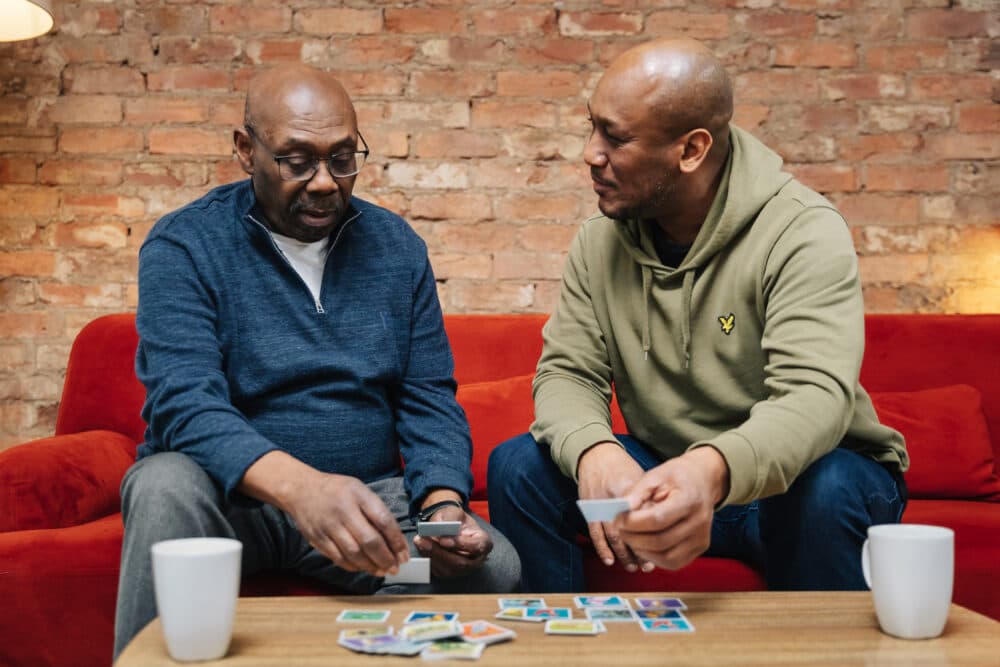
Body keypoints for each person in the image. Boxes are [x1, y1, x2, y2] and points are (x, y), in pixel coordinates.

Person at [113, 64, 519, 658]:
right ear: (245, 150)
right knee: (163, 484)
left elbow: (429, 398)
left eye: (343, 157)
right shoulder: (184, 245)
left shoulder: (397, 248)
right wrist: (303, 490)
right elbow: (184, 405)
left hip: (365, 520)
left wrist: (441, 508)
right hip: (233, 516)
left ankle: (373, 630)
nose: (326, 182)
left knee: (492, 567)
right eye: (297, 160)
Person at [487, 39, 908, 593]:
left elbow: (813, 397)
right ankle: (559, 650)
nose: (590, 153)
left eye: (614, 137)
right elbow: (568, 372)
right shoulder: (598, 243)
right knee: (519, 468)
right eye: (592, 128)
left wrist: (708, 472)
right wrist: (595, 451)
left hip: (804, 477)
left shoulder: (803, 229)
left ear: (691, 151)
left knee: (827, 489)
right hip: (666, 470)